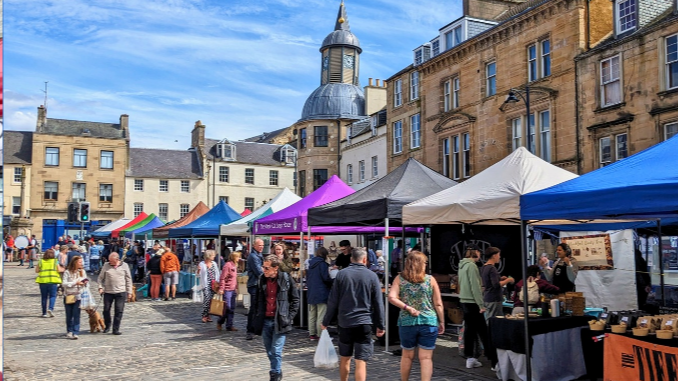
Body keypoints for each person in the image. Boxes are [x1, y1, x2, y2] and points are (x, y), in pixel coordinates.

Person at [322, 248, 385, 381]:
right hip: (364, 322)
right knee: (361, 361)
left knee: (345, 358)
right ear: (364, 260)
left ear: (351, 259)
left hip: (345, 322)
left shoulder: (341, 275)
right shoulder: (372, 276)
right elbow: (378, 303)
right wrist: (381, 324)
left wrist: (326, 321)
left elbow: (333, 300)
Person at [388, 251, 445, 381]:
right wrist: (442, 321)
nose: (426, 265)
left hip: (407, 322)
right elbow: (438, 303)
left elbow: (391, 297)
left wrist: (407, 308)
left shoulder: (400, 279)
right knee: (426, 358)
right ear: (420, 264)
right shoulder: (430, 280)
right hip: (428, 321)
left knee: (407, 356)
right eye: (425, 262)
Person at [252, 255, 300, 381]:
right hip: (265, 320)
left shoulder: (285, 278)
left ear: (276, 268)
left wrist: (289, 318)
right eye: (263, 267)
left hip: (280, 320)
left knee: (276, 350)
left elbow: (295, 299)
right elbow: (257, 301)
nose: (264, 270)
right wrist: (256, 317)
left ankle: (275, 375)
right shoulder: (261, 280)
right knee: (269, 351)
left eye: (267, 268)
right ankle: (276, 370)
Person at [458, 245, 496, 370]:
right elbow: (475, 287)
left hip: (464, 301)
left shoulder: (461, 266)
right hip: (473, 302)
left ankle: (470, 358)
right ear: (475, 252)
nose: (480, 254)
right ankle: (493, 361)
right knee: (483, 332)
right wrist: (481, 304)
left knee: (470, 331)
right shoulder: (472, 266)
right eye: (479, 251)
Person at [98, 252, 133, 335]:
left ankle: (115, 329)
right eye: (109, 260)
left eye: (111, 261)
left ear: (117, 259)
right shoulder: (106, 265)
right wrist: (100, 287)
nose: (110, 262)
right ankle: (107, 325)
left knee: (119, 310)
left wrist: (129, 292)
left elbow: (128, 279)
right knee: (106, 310)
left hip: (120, 292)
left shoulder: (124, 266)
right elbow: (100, 278)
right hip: (108, 291)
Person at [307, 247, 333, 340]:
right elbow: (325, 278)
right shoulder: (323, 265)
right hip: (321, 292)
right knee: (321, 314)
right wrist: (332, 281)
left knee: (312, 314)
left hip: (311, 292)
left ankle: (312, 333)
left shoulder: (310, 264)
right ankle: (320, 334)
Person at [480, 247, 514, 319]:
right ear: (494, 255)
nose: (499, 257)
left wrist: (500, 278)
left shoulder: (484, 267)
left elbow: (488, 281)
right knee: (495, 321)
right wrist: (509, 280)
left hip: (487, 298)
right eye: (498, 255)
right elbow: (496, 285)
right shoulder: (492, 268)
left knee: (489, 319)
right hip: (494, 299)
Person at [62, 255, 87, 339]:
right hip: (69, 295)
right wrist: (74, 283)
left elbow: (85, 281)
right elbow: (64, 283)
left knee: (76, 314)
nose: (81, 263)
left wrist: (84, 283)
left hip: (78, 296)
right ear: (75, 262)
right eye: (80, 262)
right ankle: (69, 330)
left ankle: (76, 331)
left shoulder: (82, 272)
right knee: (69, 314)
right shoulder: (67, 272)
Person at [246, 238, 265, 340]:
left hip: (258, 285)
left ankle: (256, 328)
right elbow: (260, 272)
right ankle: (250, 330)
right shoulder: (253, 256)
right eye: (259, 245)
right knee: (253, 308)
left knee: (258, 308)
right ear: (254, 246)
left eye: (262, 245)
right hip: (254, 285)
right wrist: (264, 269)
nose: (261, 247)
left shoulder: (259, 255)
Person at [217, 251, 241, 331]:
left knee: (232, 308)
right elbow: (223, 278)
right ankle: (220, 321)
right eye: (237, 257)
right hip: (227, 290)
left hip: (233, 289)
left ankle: (229, 325)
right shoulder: (228, 265)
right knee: (227, 307)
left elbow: (234, 279)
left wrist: (236, 288)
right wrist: (221, 288)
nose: (239, 258)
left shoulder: (235, 266)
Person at [35, 248, 62, 318]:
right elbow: (59, 269)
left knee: (44, 297)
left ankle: (44, 313)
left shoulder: (41, 261)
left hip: (43, 281)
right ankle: (50, 308)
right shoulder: (55, 261)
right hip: (53, 280)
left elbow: (37, 270)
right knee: (52, 296)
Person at [197, 250, 221, 323]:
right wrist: (198, 271)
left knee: (211, 301)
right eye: (213, 255)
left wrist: (218, 282)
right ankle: (204, 315)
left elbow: (217, 273)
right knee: (207, 300)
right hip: (206, 284)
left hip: (214, 284)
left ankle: (208, 315)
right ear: (209, 256)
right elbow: (198, 275)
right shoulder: (202, 264)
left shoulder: (214, 264)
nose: (214, 256)